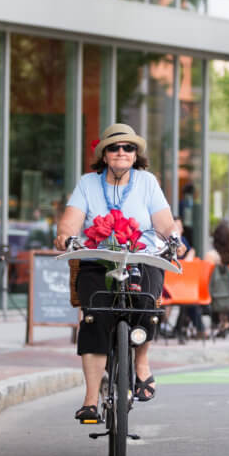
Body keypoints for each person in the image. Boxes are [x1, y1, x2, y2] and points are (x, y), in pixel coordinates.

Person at [54, 123, 176, 422]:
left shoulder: (147, 181)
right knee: (95, 316)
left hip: (141, 255)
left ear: (136, 155)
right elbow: (70, 222)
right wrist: (66, 235)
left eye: (128, 147)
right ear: (104, 155)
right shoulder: (88, 183)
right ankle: (91, 399)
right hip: (99, 256)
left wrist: (174, 238)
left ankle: (141, 364)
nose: (121, 152)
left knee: (148, 301)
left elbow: (164, 222)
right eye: (114, 147)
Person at [206, 222, 229, 337]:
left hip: (214, 291)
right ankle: (224, 323)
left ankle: (197, 328)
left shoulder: (212, 256)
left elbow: (205, 276)